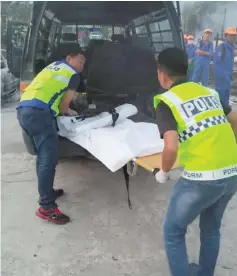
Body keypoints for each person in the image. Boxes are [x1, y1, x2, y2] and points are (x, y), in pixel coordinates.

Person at [154, 47, 237, 276]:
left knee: (173, 231)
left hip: (202, 179)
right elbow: (235, 120)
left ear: (162, 74)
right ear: (188, 68)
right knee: (211, 229)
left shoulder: (166, 102)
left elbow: (170, 146)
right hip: (231, 173)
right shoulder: (208, 92)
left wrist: (163, 172)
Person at [17, 44, 86, 225]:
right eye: (80, 61)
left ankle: (47, 192)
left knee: (43, 157)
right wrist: (71, 113)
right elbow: (64, 106)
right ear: (70, 58)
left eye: (84, 63)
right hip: (39, 114)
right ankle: (47, 208)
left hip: (24, 109)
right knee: (48, 159)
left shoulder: (54, 66)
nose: (81, 66)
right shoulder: (72, 75)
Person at [213, 27, 237, 108]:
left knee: (225, 100)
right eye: (230, 35)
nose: (232, 37)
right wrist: (222, 76)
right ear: (226, 36)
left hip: (227, 80)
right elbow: (216, 65)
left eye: (234, 35)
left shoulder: (232, 48)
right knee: (221, 101)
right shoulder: (221, 48)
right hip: (221, 80)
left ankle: (225, 116)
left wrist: (230, 76)